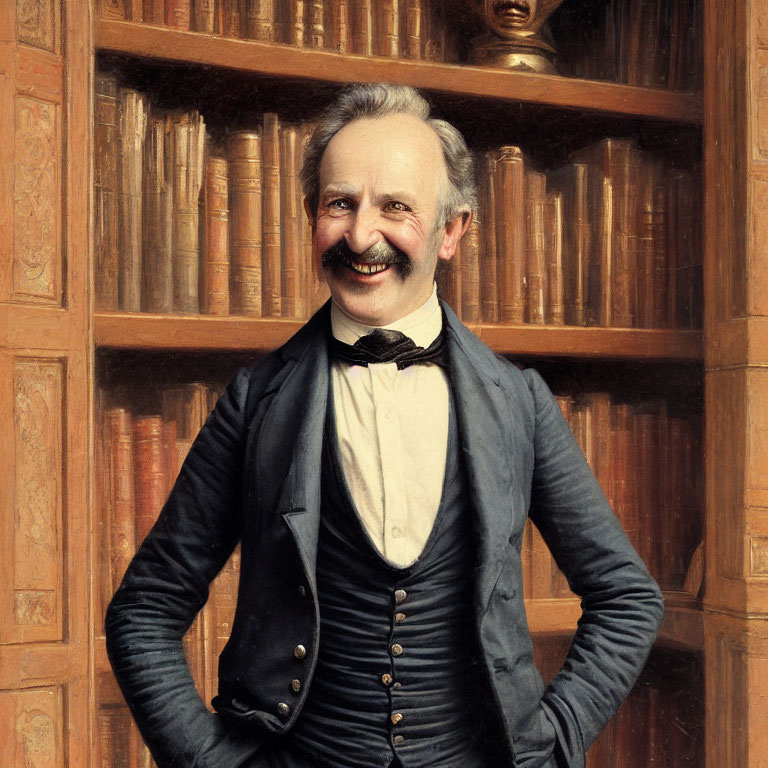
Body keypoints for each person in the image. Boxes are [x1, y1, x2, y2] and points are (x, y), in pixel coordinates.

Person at [106, 83, 664, 768]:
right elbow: (144, 612)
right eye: (340, 203)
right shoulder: (254, 402)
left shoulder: (518, 401)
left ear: (451, 230)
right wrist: (209, 761)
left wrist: (553, 745)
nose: (361, 235)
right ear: (312, 214)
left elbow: (627, 598)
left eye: (395, 207)